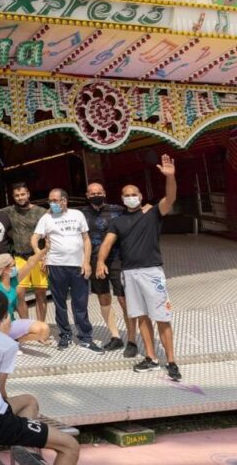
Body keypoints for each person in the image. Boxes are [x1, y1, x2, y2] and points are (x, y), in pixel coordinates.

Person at [0, 289, 81, 465]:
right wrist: (3, 334)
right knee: (70, 446)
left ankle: (25, 448)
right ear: (6, 315)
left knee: (29, 401)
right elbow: (0, 390)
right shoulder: (6, 344)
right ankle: (24, 445)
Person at [96, 155, 180, 380]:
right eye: (127, 195)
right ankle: (151, 358)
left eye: (134, 194)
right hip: (129, 274)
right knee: (142, 317)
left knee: (162, 317)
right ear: (122, 199)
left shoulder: (153, 213)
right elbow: (107, 243)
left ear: (141, 197)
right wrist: (100, 261)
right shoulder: (118, 221)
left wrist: (170, 177)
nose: (131, 197)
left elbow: (170, 198)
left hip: (152, 272)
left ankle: (171, 361)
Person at [33, 189, 101, 353]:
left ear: (65, 200)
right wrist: (40, 255)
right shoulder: (46, 218)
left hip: (78, 266)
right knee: (60, 303)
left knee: (80, 302)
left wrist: (86, 262)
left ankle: (85, 337)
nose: (52, 203)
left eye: (55, 200)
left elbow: (86, 240)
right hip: (56, 266)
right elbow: (35, 238)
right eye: (50, 201)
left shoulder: (77, 214)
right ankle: (65, 335)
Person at [82, 182, 132, 353]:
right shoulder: (81, 213)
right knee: (104, 298)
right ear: (87, 195)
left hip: (118, 259)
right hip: (95, 261)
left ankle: (132, 338)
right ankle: (115, 336)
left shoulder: (118, 210)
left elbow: (139, 211)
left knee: (124, 299)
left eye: (99, 192)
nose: (96, 195)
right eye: (92, 193)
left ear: (104, 192)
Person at [0, 245, 51, 345]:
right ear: (4, 269)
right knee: (3, 322)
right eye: (13, 265)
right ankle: (3, 342)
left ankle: (14, 340)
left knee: (44, 329)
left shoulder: (14, 281)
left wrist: (46, 249)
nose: (16, 267)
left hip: (10, 324)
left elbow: (30, 262)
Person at [4, 182, 49, 323]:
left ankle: (40, 326)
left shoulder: (41, 212)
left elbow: (49, 235)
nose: (20, 197)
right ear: (13, 197)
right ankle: (25, 326)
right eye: (17, 195)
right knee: (18, 293)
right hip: (19, 258)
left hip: (38, 257)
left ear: (28, 194)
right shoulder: (8, 211)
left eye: (22, 194)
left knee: (40, 293)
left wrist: (46, 256)